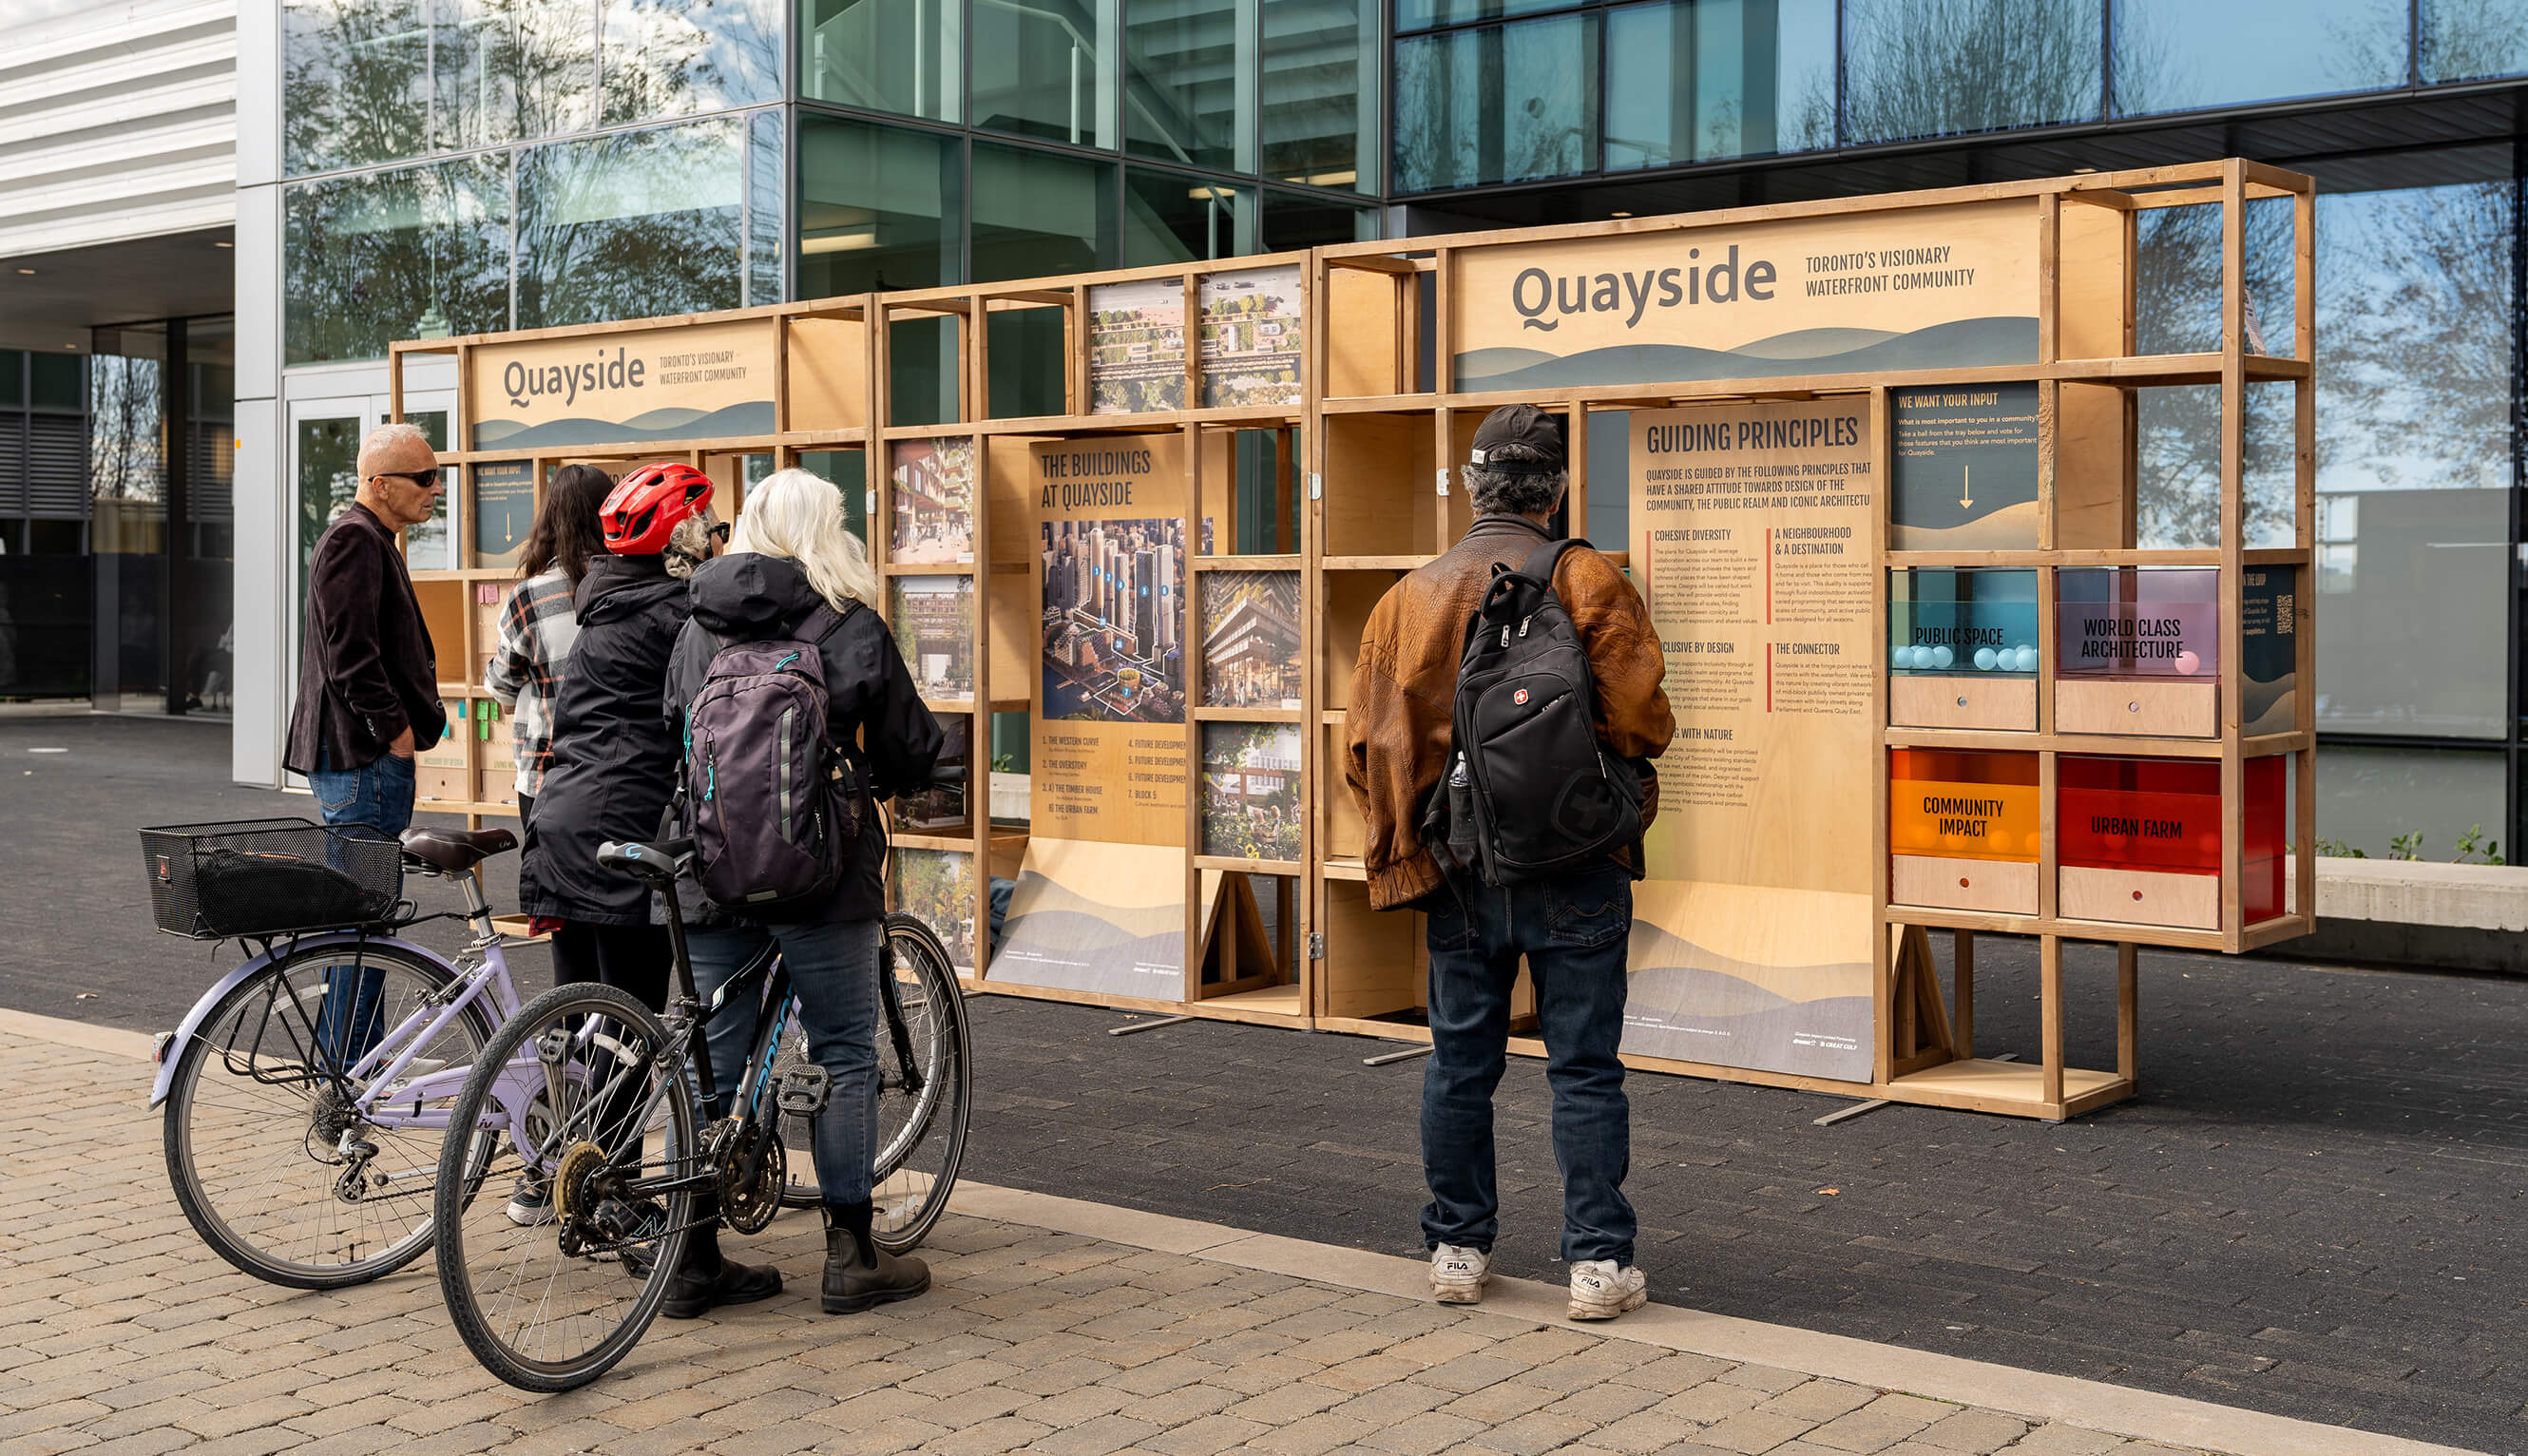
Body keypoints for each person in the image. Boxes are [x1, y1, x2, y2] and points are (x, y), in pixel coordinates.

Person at [1343, 403, 1676, 1321]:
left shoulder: (1404, 601)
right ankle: (1597, 1266)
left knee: (1460, 1062)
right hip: (1577, 860)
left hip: (1460, 872)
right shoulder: (1588, 579)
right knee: (1585, 1067)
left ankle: (1458, 1250)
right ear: (1556, 489)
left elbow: (1364, 752)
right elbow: (1644, 720)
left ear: (1471, 487)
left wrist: (1418, 840)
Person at [662, 468, 944, 1318]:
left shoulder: (697, 628)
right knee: (845, 1052)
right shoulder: (850, 625)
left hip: (713, 873)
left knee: (709, 1060)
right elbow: (910, 747)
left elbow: (671, 727)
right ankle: (852, 1255)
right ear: (831, 532)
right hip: (825, 878)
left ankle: (694, 1258)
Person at [509, 462, 768, 1308]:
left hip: (561, 826)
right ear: (678, 543)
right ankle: (619, 1208)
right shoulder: (676, 615)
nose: (718, 535)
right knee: (642, 1034)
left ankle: (579, 1188)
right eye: (708, 525)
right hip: (623, 839)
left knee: (593, 1031)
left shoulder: (605, 605)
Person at [283, 421, 449, 1062]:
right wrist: (396, 734)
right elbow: (352, 657)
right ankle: (348, 1073)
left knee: (362, 922)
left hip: (360, 757)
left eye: (438, 476)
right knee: (363, 923)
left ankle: (350, 1068)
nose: (435, 489)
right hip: (364, 759)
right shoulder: (355, 542)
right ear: (380, 485)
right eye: (424, 477)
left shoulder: (367, 539)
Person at [485, 465, 614, 825]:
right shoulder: (631, 587)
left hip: (547, 774)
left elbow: (501, 686)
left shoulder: (529, 596)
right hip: (622, 774)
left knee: (548, 879)